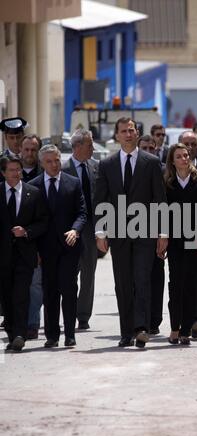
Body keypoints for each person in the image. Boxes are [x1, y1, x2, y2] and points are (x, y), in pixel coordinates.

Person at [96, 117, 168, 348]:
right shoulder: (106, 165)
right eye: (123, 131)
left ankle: (141, 328)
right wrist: (100, 233)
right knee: (123, 282)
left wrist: (163, 233)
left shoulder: (151, 162)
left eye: (131, 130)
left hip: (145, 231)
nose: (128, 134)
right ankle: (126, 332)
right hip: (118, 233)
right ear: (116, 136)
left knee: (142, 279)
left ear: (137, 133)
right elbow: (101, 201)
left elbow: (160, 200)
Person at [30, 145, 87, 348]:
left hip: (69, 247)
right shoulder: (34, 186)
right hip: (46, 249)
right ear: (42, 163)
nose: (54, 165)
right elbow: (32, 220)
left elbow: (82, 213)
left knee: (69, 290)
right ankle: (52, 336)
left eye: (57, 160)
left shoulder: (73, 183)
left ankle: (70, 334)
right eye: (49, 161)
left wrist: (75, 230)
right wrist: (35, 250)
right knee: (50, 291)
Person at [165, 143, 197, 345]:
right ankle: (174, 328)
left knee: (192, 284)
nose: (184, 159)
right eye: (179, 156)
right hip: (175, 241)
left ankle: (186, 329)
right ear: (172, 161)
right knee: (175, 284)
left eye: (186, 155)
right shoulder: (166, 183)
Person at [0, 155, 48, 351]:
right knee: (6, 296)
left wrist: (27, 232)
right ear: (3, 173)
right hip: (2, 256)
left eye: (18, 170)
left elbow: (43, 222)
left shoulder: (33, 193)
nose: (16, 173)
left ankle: (20, 334)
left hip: (25, 254)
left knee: (21, 294)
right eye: (11, 170)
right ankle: (12, 332)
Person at [62, 129, 99, 330]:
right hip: (69, 230)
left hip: (91, 230)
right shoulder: (62, 169)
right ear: (77, 147)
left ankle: (83, 316)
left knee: (88, 275)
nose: (92, 148)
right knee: (69, 274)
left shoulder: (96, 167)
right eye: (89, 145)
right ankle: (68, 311)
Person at [137, 134, 165, 335]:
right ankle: (140, 320)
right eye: (143, 148)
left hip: (156, 233)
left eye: (151, 148)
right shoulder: (130, 170)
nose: (147, 152)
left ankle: (154, 320)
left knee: (156, 277)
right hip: (134, 232)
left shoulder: (163, 171)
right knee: (138, 279)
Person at [20, 133, 43, 340]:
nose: (29, 153)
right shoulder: (8, 170)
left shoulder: (44, 175)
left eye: (34, 150)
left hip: (36, 239)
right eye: (26, 149)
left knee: (35, 284)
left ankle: (33, 324)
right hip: (12, 239)